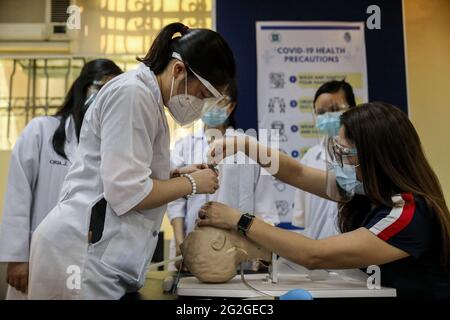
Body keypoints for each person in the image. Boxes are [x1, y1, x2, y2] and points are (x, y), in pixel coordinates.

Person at [26, 22, 236, 299]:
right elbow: (128, 191)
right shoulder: (133, 95)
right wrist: (190, 184)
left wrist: (174, 175)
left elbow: (125, 174)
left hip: (99, 256)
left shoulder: (147, 99)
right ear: (178, 70)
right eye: (202, 95)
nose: (200, 107)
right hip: (79, 257)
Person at [202, 102, 450, 299]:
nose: (338, 162)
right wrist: (246, 145)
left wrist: (238, 220)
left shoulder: (407, 214)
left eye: (345, 154)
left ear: (375, 158)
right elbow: (296, 173)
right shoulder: (366, 192)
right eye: (337, 151)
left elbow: (315, 255)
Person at [0, 59, 122, 300]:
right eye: (101, 89)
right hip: (37, 258)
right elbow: (18, 196)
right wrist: (17, 258)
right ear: (82, 88)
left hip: (87, 263)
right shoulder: (40, 131)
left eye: (114, 93)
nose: (106, 98)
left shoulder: (110, 146)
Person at [167, 82, 277, 270]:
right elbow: (175, 201)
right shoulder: (184, 147)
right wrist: (180, 244)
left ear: (231, 106)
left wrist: (262, 251)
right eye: (208, 98)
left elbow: (264, 206)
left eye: (220, 100)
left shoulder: (250, 147)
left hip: (238, 253)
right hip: (191, 251)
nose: (212, 105)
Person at [292, 80, 356, 239]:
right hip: (317, 249)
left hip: (356, 251)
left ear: (353, 110)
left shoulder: (366, 154)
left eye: (335, 109)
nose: (327, 116)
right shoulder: (310, 158)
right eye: (321, 112)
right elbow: (303, 218)